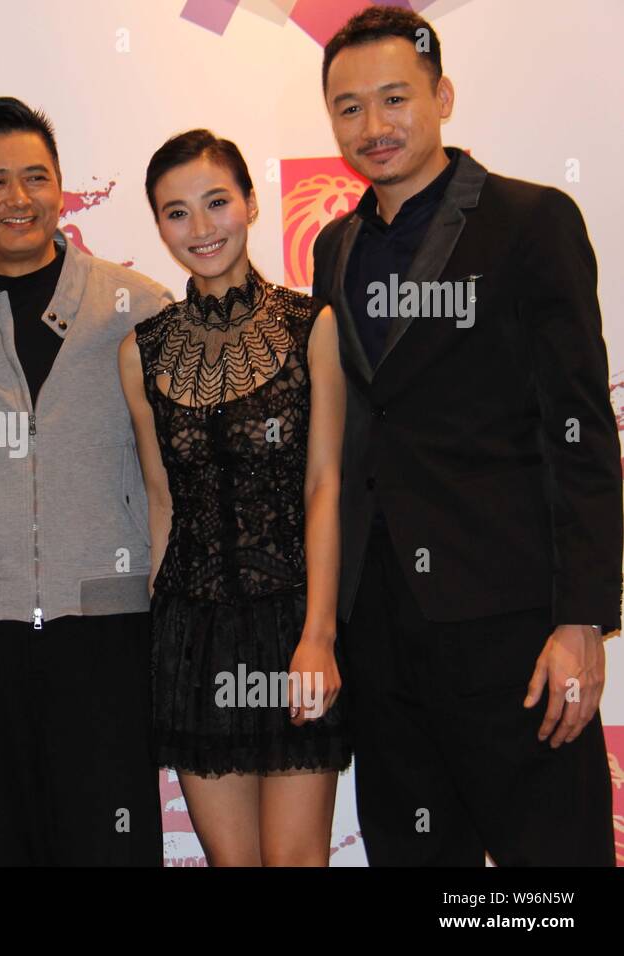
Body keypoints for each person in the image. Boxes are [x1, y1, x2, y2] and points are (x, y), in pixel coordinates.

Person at [313, 5, 620, 865]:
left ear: (441, 95)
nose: (373, 126)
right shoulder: (334, 249)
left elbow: (583, 429)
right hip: (381, 627)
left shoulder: (532, 221)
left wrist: (583, 619)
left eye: (394, 99)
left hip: (512, 623)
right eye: (348, 107)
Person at [0, 97, 173, 866]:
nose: (17, 198)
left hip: (110, 629)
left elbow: (176, 480)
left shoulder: (137, 307)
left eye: (36, 177)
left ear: (62, 188)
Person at [119, 130, 351, 866]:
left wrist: (318, 634)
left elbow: (324, 485)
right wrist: (158, 644)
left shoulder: (311, 326)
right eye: (176, 213)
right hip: (192, 634)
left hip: (291, 626)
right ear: (158, 226)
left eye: (217, 202)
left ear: (251, 203)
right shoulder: (143, 351)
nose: (201, 228)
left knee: (298, 861)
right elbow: (162, 502)